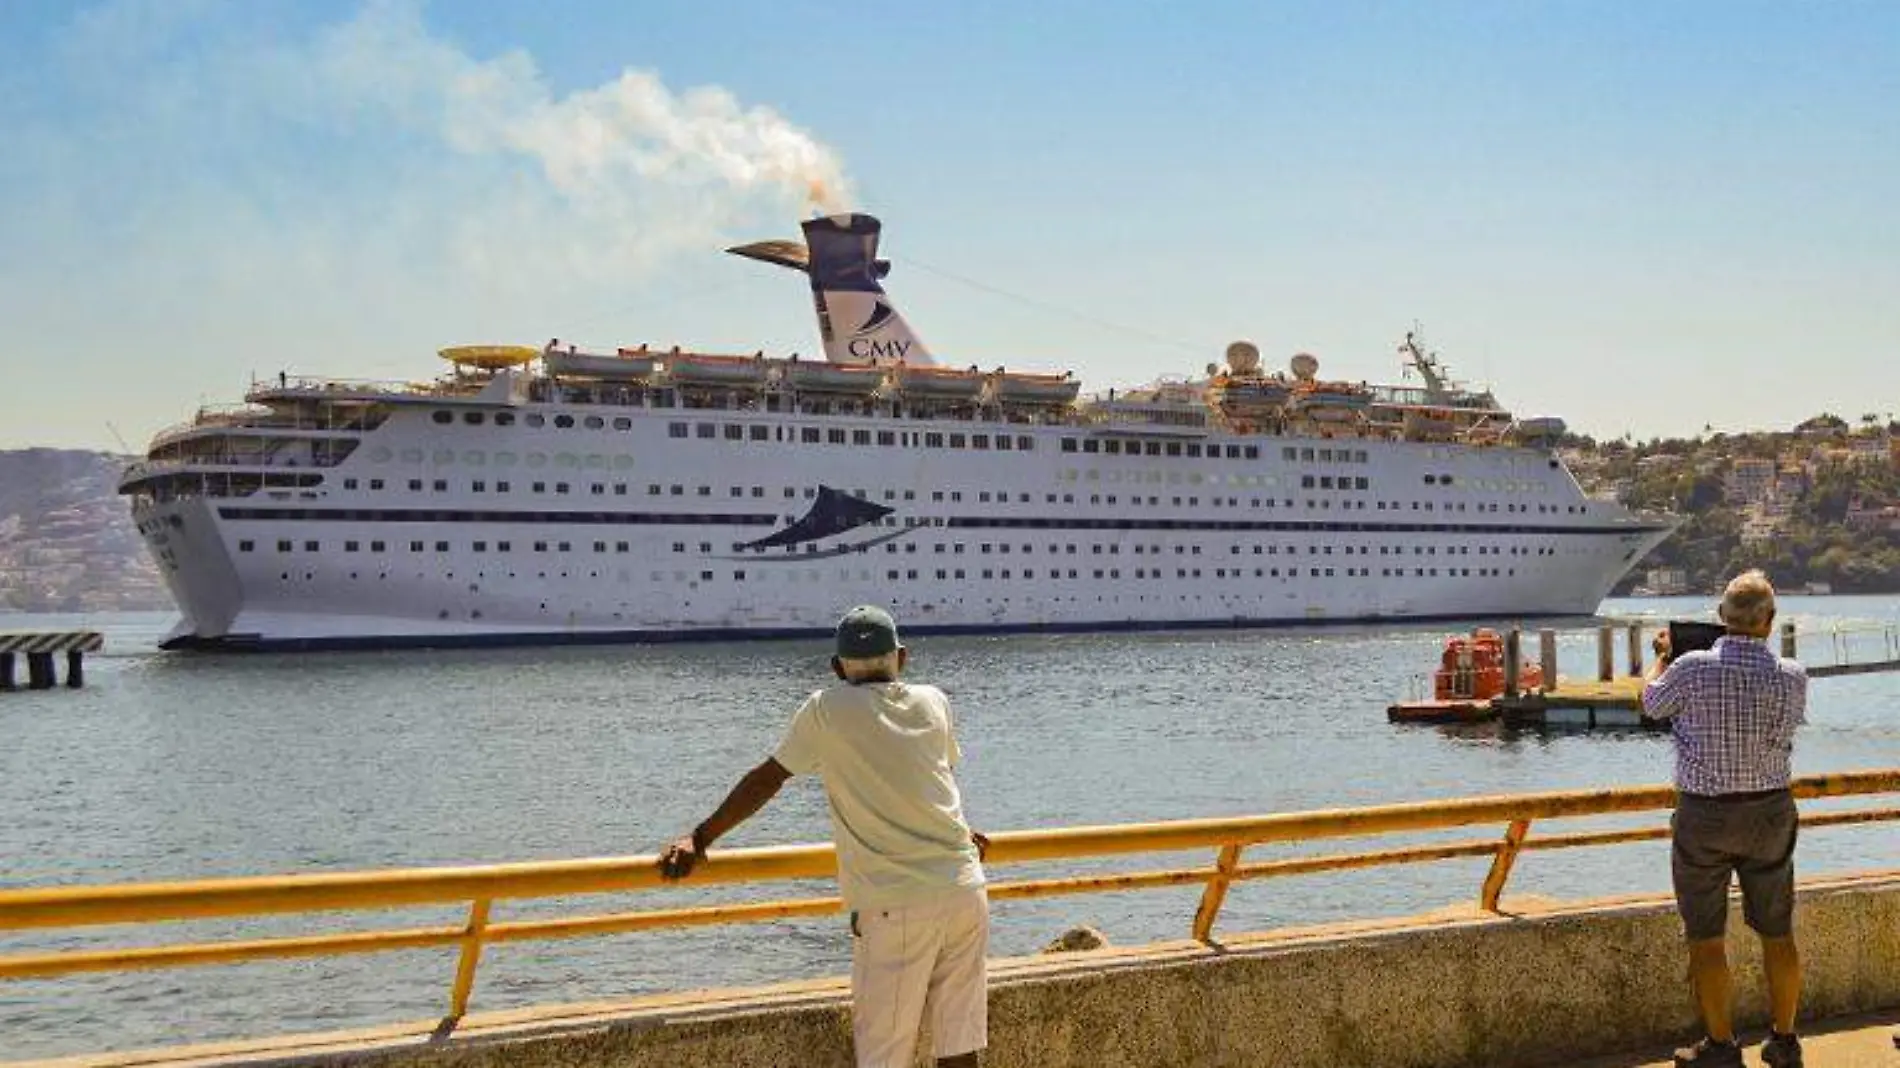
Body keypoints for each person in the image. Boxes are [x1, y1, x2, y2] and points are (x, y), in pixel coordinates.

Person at [657, 606, 991, 1068]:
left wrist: (700, 838)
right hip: (963, 888)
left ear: (837, 668)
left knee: (884, 1053)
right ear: (902, 657)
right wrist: (961, 829)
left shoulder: (826, 709)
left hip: (894, 902)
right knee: (959, 1044)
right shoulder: (934, 700)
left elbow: (766, 780)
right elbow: (931, 775)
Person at [1642, 570, 1807, 1068]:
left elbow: (1650, 704)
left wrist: (1661, 656)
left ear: (1720, 618)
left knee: (1707, 935)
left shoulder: (1690, 667)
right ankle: (1785, 1040)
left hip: (1705, 816)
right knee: (1778, 932)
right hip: (1770, 812)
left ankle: (1719, 1048)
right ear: (1770, 621)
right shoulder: (1793, 675)